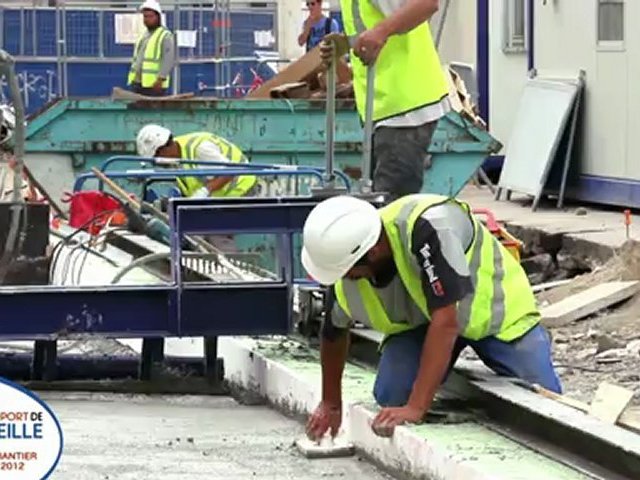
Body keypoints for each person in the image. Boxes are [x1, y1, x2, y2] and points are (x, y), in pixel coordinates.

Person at [301, 194, 562, 439]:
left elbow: (447, 322)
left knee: (545, 409)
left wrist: (417, 406)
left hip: (498, 316)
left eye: (350, 272)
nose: (349, 279)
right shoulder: (348, 256)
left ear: (372, 251)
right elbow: (333, 332)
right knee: (392, 397)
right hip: (426, 322)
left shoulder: (430, 227)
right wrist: (331, 402)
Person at [320, 0, 450, 202]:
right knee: (379, 205)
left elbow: (426, 3)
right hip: (385, 107)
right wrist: (346, 44)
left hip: (405, 107)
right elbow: (372, 26)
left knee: (390, 209)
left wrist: (381, 31)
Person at [135, 124, 259, 199]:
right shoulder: (176, 156)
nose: (159, 164)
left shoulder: (200, 149)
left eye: (157, 160)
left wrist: (204, 192)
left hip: (241, 187)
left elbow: (230, 171)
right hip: (220, 194)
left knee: (216, 233)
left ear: (164, 148)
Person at [127, 0, 176, 97]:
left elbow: (168, 59)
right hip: (138, 82)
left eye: (150, 16)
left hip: (154, 85)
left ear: (158, 17)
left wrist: (160, 79)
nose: (147, 19)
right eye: (145, 16)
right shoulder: (144, 35)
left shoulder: (165, 35)